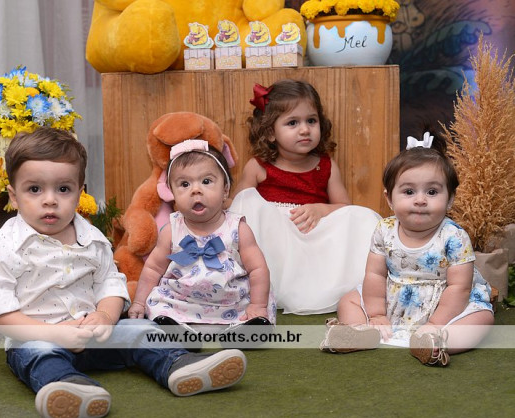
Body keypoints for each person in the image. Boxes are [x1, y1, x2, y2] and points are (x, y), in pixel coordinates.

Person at [0, 128, 247, 418]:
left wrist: (105, 316)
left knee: (140, 330)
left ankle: (178, 364)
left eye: (63, 189)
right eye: (34, 189)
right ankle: (69, 387)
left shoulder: (92, 238)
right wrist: (53, 334)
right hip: (39, 336)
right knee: (36, 354)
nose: (50, 200)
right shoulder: (6, 246)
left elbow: (110, 284)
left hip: (95, 334)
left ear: (80, 193)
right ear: (14, 196)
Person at [321, 132, 495, 366]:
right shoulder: (384, 230)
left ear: (450, 199)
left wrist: (435, 324)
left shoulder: (454, 237)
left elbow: (459, 287)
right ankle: (360, 332)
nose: (420, 200)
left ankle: (435, 342)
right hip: (393, 297)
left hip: (444, 303)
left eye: (432, 192)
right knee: (348, 300)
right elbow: (375, 274)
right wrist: (377, 314)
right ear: (389, 198)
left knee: (482, 318)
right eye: (409, 192)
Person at [229, 79, 381, 315]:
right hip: (275, 247)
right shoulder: (258, 167)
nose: (304, 129)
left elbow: (344, 207)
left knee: (364, 217)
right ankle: (260, 285)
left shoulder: (326, 166)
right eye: (293, 123)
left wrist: (321, 209)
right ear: (270, 133)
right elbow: (236, 210)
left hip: (312, 238)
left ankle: (339, 285)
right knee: (247, 200)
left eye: (311, 120)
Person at [128, 139, 275, 332]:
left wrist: (258, 305)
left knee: (251, 309)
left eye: (206, 181)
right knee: (159, 304)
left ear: (225, 190)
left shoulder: (238, 228)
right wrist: (139, 302)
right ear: (172, 193)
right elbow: (153, 269)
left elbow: (257, 269)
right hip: (182, 301)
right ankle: (179, 330)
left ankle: (241, 331)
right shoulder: (172, 229)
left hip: (231, 302)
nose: (195, 190)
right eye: (184, 184)